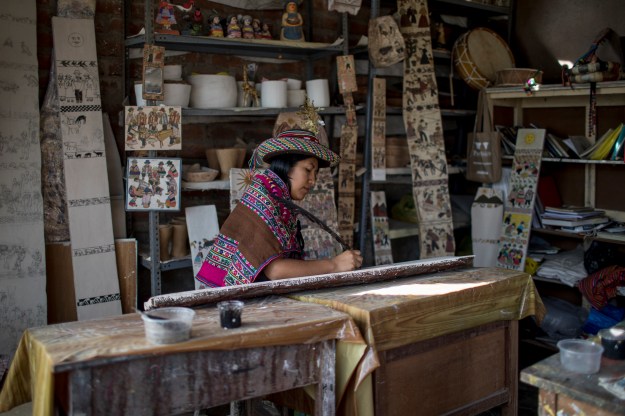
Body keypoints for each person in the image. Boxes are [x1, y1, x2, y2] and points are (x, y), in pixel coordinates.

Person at [196, 129, 362, 287]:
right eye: (308, 170)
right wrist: (333, 265)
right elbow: (275, 270)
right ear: (286, 166)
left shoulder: (277, 197)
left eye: (316, 173)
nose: (313, 180)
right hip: (234, 303)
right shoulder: (261, 197)